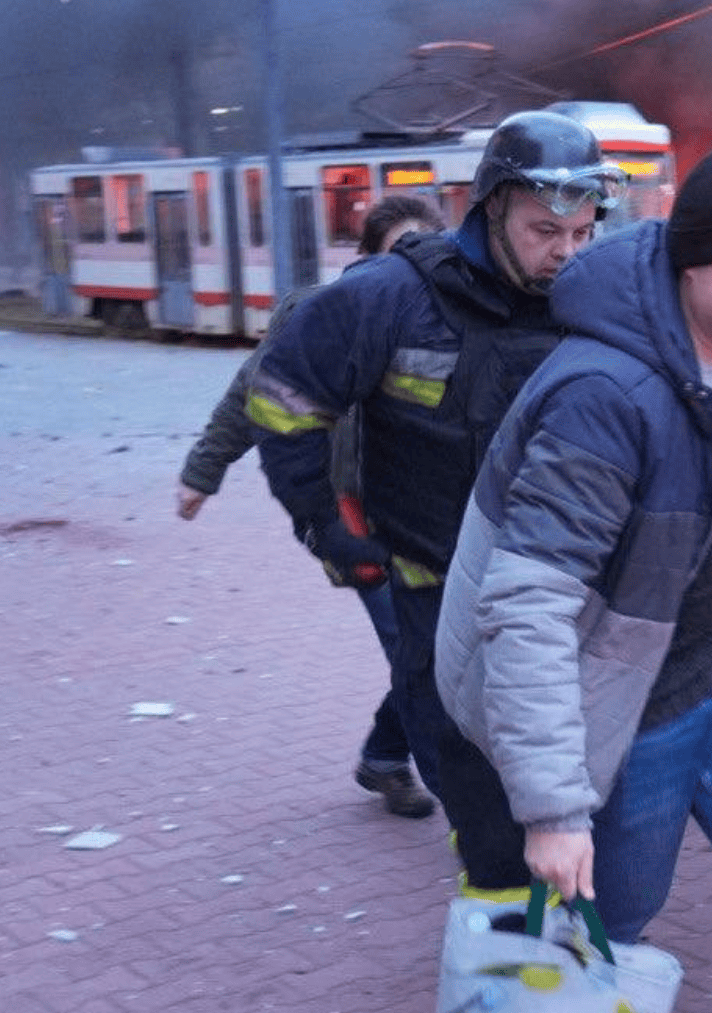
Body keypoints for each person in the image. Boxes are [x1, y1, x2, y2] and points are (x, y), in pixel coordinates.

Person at [433, 144, 712, 1013]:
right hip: (638, 701)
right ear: (690, 263)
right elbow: (528, 604)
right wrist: (550, 809)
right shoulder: (603, 397)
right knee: (601, 930)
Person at [246, 111, 625, 808]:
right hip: (438, 597)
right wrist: (322, 523)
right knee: (477, 798)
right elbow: (282, 400)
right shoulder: (388, 298)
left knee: (573, 787)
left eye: (582, 232)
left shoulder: (598, 299)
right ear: (491, 208)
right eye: (545, 231)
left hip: (564, 600)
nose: (567, 253)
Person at [178, 194, 444, 818]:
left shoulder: (445, 317)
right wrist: (202, 472)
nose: (415, 260)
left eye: (426, 246)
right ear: (367, 255)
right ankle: (471, 819)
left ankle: (383, 757)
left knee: (427, 654)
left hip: (428, 519)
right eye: (401, 246)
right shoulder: (321, 313)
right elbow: (252, 393)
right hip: (353, 520)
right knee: (420, 657)